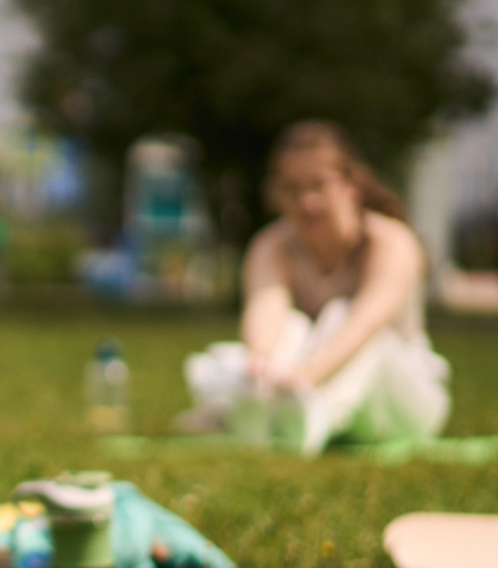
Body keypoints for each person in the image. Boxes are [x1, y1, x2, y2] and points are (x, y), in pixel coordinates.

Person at [179, 121, 447, 452]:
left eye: (318, 186)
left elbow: (363, 325)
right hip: (305, 390)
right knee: (289, 328)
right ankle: (272, 412)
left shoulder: (391, 242)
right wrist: (260, 365)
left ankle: (299, 418)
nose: (307, 202)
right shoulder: (272, 245)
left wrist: (303, 379)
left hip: (401, 405)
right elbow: (266, 311)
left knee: (342, 316)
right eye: (292, 189)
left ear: (351, 186)